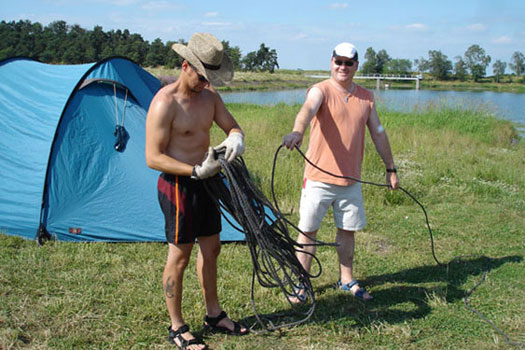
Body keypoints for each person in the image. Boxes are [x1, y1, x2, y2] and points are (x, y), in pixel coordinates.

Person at [145, 32, 248, 350]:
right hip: (178, 185)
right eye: (203, 76)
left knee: (212, 248)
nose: (206, 83)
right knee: (180, 256)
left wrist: (235, 138)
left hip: (208, 183)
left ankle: (214, 315)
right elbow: (153, 157)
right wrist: (192, 170)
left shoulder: (211, 97)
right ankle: (176, 326)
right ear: (185, 65)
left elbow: (231, 125)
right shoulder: (165, 102)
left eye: (211, 78)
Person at [282, 42, 399, 303]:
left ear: (356, 66)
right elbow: (306, 111)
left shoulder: (367, 97)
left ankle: (346, 280)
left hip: (351, 180)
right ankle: (302, 284)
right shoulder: (320, 90)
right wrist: (297, 132)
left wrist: (390, 168)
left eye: (349, 63)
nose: (343, 67)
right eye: (339, 61)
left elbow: (378, 133)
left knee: (348, 230)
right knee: (308, 230)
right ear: (331, 62)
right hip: (317, 179)